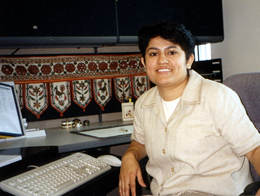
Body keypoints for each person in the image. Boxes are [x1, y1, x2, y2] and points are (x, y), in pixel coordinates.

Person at [118, 21, 260, 196]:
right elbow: (140, 142)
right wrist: (130, 156)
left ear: (189, 60)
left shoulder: (217, 97)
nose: (162, 60)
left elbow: (254, 149)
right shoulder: (143, 103)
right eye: (153, 53)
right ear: (144, 62)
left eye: (172, 52)